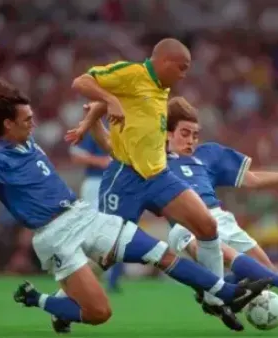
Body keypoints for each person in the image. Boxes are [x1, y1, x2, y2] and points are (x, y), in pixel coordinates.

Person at [0, 79, 272, 333]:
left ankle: (226, 292)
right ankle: (37, 299)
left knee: (162, 254)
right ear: (7, 124)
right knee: (99, 313)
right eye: (26, 119)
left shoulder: (25, 140)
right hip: (55, 236)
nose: (33, 124)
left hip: (83, 214)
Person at [67, 98, 278, 301]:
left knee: (264, 271)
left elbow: (252, 179)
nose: (191, 140)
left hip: (222, 219)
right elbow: (112, 146)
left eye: (195, 135)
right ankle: (277, 283)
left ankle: (224, 295)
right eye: (185, 133)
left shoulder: (209, 155)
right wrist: (94, 121)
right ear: (167, 133)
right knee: (107, 252)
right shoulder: (153, 159)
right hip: (185, 226)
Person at [71, 38, 230, 315]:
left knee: (207, 226)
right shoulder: (132, 74)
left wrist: (89, 120)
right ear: (165, 62)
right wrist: (107, 101)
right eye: (182, 68)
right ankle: (65, 302)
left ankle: (216, 298)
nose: (184, 75)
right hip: (125, 178)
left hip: (159, 176)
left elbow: (118, 103)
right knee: (104, 255)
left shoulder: (161, 88)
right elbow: (81, 83)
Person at [69, 125, 124, 292]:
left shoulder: (124, 124)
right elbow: (76, 155)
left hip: (118, 184)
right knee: (94, 230)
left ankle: (113, 279)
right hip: (96, 182)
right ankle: (83, 275)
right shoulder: (96, 125)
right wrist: (102, 162)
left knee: (119, 229)